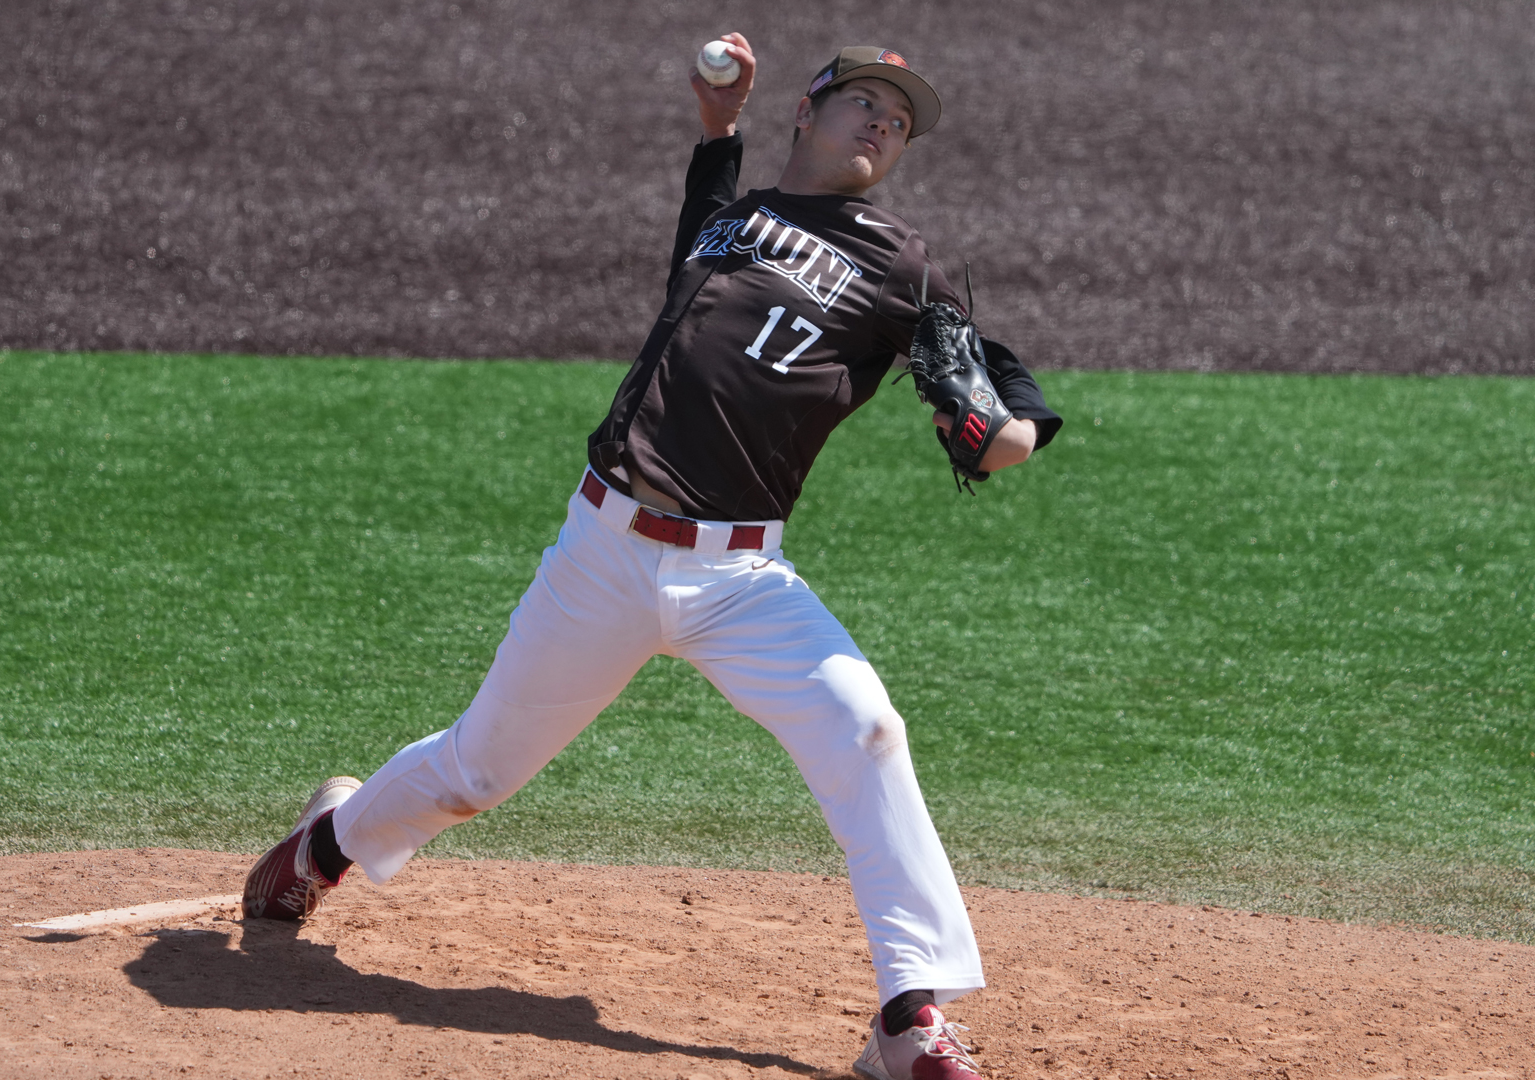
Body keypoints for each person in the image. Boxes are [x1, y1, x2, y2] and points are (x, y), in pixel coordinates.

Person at [244, 34, 1061, 1080]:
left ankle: (910, 1018)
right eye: (864, 102)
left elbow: (994, 390)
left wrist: (1010, 431)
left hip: (742, 580)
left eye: (899, 122)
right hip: (606, 552)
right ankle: (318, 850)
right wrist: (718, 125)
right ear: (808, 113)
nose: (882, 126)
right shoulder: (732, 222)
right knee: (480, 768)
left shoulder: (906, 266)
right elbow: (702, 225)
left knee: (866, 729)